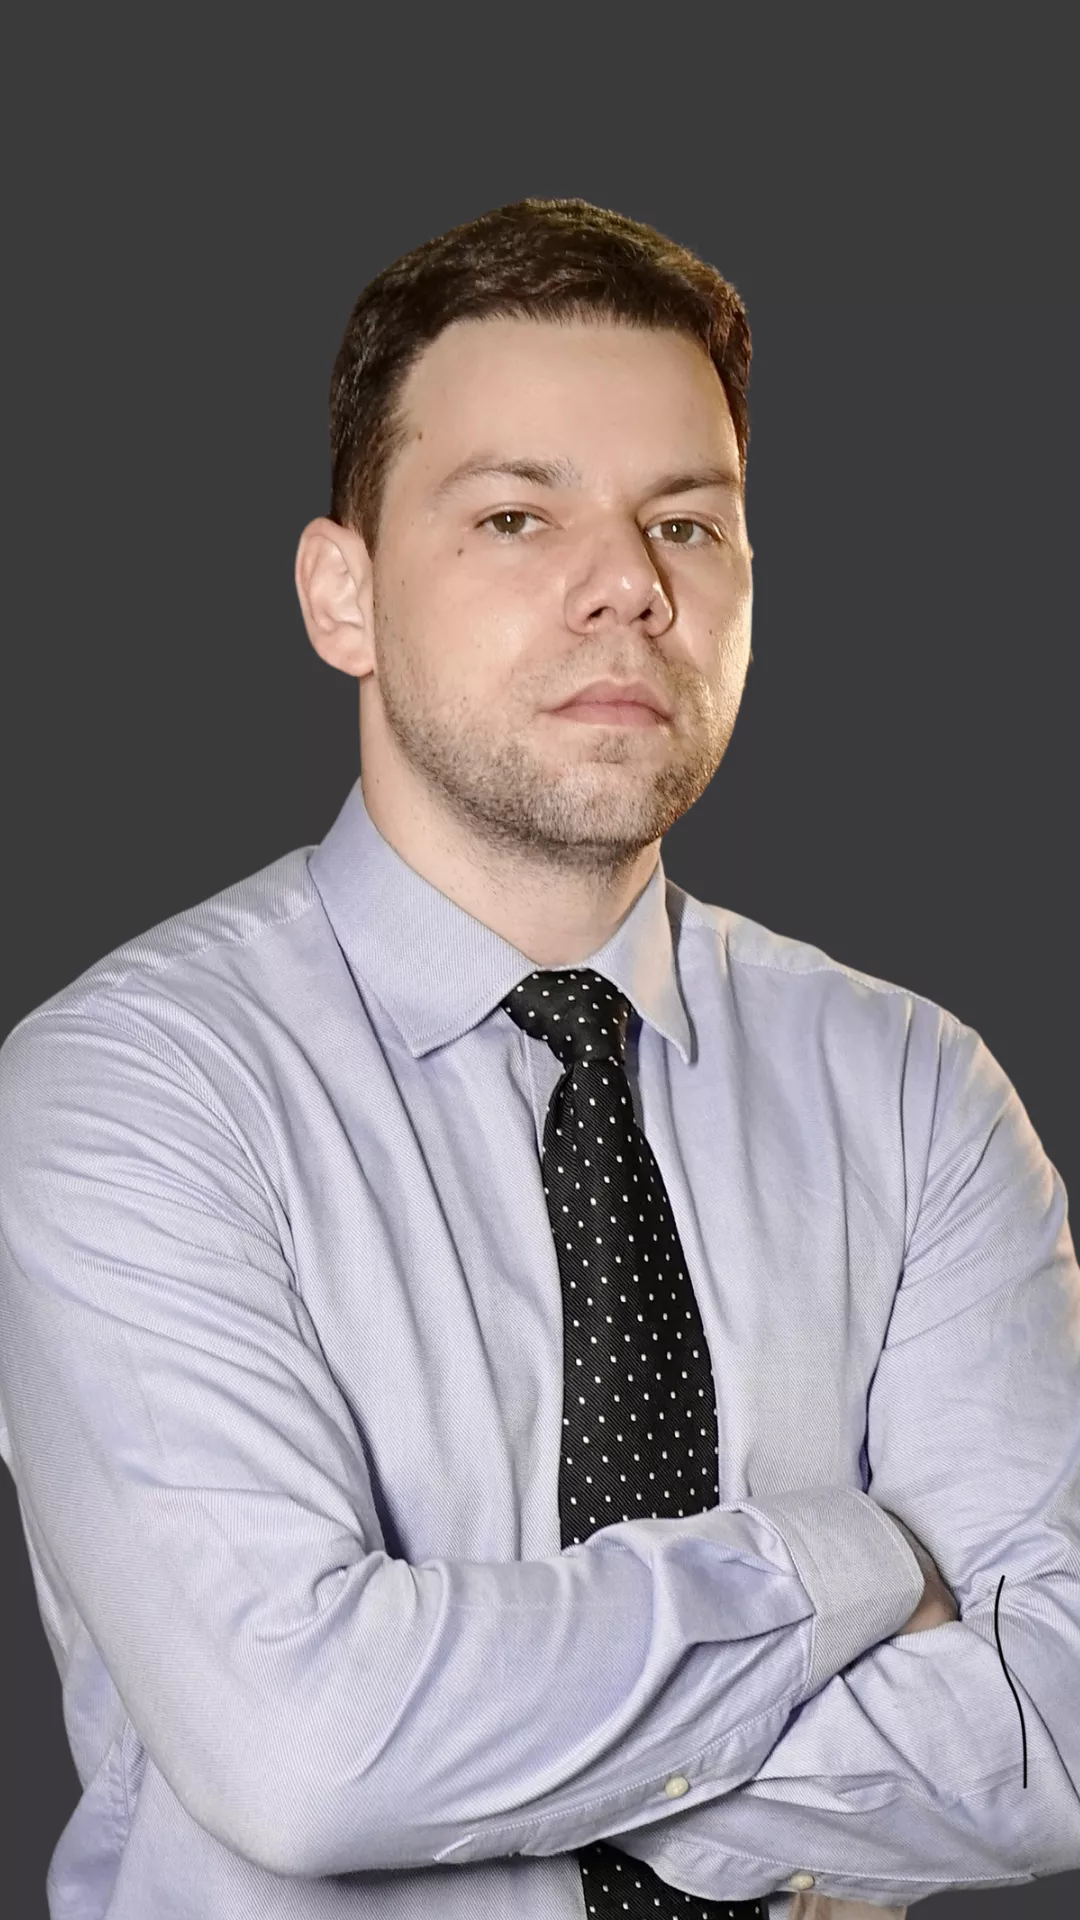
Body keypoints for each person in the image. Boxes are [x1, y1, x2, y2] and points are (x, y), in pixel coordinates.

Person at [0, 198, 1077, 1920]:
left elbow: (1062, 1717)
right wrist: (854, 1565)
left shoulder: (916, 1094)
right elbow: (308, 1751)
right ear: (343, 596)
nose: (629, 585)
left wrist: (539, 1785)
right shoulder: (130, 1091)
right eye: (517, 515)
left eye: (688, 524)